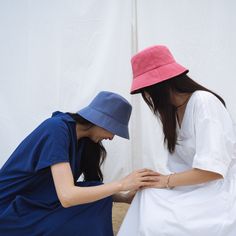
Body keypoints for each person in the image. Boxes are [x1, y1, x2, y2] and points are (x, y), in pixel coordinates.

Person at [0, 91, 159, 236]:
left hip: (38, 202)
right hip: (10, 209)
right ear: (103, 122)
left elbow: (85, 190)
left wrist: (124, 197)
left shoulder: (85, 142)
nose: (112, 137)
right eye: (114, 130)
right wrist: (122, 184)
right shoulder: (55, 129)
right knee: (96, 199)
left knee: (99, 197)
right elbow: (67, 196)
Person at [118, 45, 236, 236]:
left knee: (155, 221)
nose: (147, 96)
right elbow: (181, 168)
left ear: (160, 85)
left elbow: (213, 170)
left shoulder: (203, 102)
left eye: (147, 90)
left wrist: (165, 180)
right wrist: (156, 180)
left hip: (219, 192)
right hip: (196, 188)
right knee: (146, 196)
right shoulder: (174, 111)